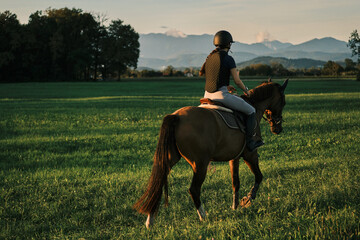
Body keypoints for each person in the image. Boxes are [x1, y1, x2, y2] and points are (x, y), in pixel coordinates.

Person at [199, 30, 264, 152]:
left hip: (207, 95)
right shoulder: (228, 59)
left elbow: (214, 78)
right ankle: (250, 142)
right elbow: (237, 81)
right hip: (221, 96)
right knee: (251, 111)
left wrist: (227, 86)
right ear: (229, 44)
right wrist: (246, 91)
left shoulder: (209, 58)